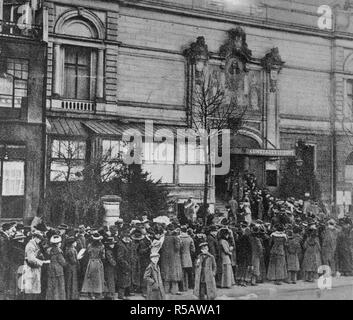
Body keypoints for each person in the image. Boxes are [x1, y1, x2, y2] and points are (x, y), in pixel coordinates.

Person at [22, 230, 50, 300]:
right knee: (31, 291)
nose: (40, 240)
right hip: (31, 270)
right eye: (39, 238)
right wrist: (43, 262)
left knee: (34, 289)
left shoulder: (34, 245)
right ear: (34, 237)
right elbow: (31, 260)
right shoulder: (31, 246)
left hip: (34, 269)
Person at [81, 232, 105, 299]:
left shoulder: (89, 245)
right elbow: (103, 256)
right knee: (98, 278)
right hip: (98, 262)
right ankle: (98, 292)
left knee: (90, 278)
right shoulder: (101, 246)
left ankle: (91, 293)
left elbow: (87, 254)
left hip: (91, 262)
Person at [159, 224, 182, 295]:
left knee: (166, 274)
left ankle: (166, 290)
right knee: (174, 274)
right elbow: (177, 248)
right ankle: (174, 290)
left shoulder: (164, 237)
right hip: (174, 258)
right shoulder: (175, 237)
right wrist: (180, 243)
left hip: (165, 258)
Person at [46, 235, 67, 300]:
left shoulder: (49, 250)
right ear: (57, 244)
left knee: (51, 287)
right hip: (58, 271)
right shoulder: (58, 252)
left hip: (50, 269)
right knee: (59, 287)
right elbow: (63, 263)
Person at [116, 227, 133, 300]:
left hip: (127, 264)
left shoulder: (127, 243)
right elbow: (120, 258)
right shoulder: (120, 245)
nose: (128, 235)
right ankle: (121, 295)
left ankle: (126, 293)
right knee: (122, 280)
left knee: (126, 279)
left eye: (128, 234)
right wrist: (125, 264)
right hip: (123, 266)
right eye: (126, 234)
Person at [0, 222, 16, 300]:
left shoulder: (4, 237)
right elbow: (3, 253)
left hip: (4, 263)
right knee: (3, 279)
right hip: (3, 264)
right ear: (7, 230)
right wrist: (7, 264)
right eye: (11, 230)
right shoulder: (3, 239)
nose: (13, 231)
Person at [179, 226, 195, 291]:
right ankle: (191, 286)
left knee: (182, 273)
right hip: (188, 257)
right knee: (190, 272)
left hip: (180, 257)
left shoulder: (179, 238)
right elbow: (193, 249)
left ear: (181, 231)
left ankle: (183, 287)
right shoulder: (190, 238)